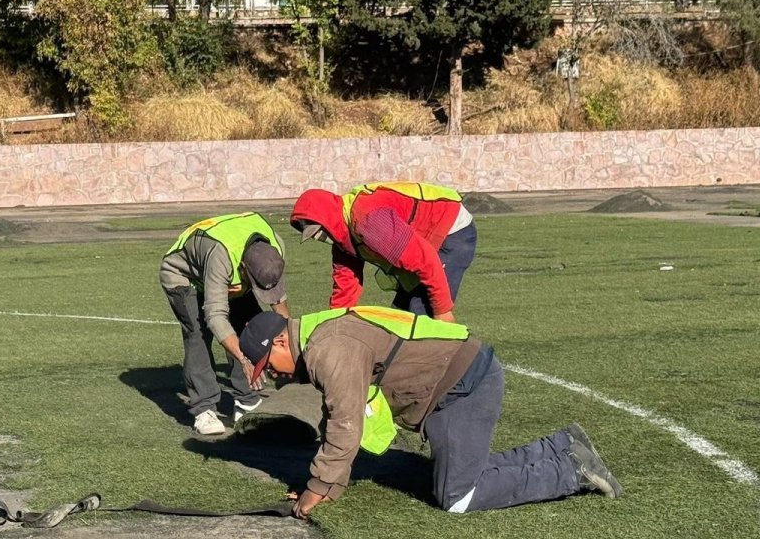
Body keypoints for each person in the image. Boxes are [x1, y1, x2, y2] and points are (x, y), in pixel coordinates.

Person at [238, 306, 622, 519]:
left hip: (464, 386)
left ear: (282, 339)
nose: (270, 373)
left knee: (456, 497)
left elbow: (346, 423)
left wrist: (316, 490)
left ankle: (570, 471)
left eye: (267, 363)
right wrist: (327, 486)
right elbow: (339, 414)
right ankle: (563, 445)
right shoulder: (321, 339)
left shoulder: (328, 348)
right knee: (462, 474)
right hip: (454, 385)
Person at [161, 212, 289, 436]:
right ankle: (204, 407)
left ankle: (246, 401)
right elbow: (216, 316)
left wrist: (291, 341)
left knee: (251, 328)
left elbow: (279, 301)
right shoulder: (221, 256)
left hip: (229, 276)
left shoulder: (275, 247)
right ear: (243, 270)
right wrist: (244, 359)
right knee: (197, 335)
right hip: (185, 277)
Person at [290, 182, 477, 323]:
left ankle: (458, 365)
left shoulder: (368, 221)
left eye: (320, 232)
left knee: (423, 319)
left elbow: (426, 260)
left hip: (450, 231)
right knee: (399, 317)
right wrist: (335, 325)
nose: (320, 238)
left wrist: (442, 311)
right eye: (314, 236)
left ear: (328, 218)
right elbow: (345, 287)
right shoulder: (343, 240)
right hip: (424, 245)